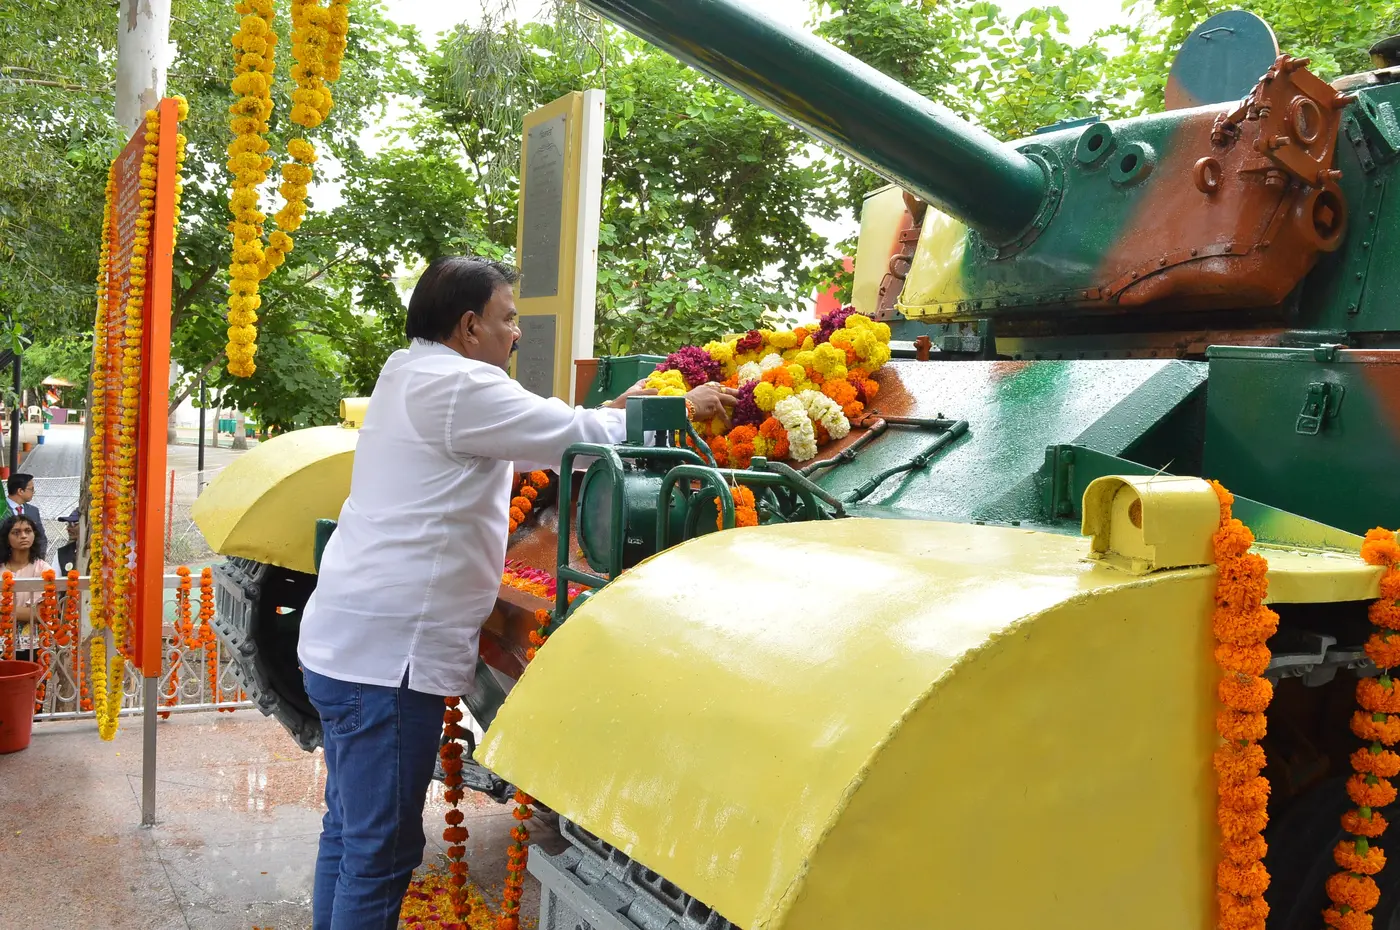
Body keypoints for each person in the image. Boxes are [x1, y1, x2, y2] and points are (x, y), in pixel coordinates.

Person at [296, 255, 737, 930]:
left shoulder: (410, 371)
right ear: (470, 326)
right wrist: (679, 409)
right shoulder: (459, 386)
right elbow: (573, 435)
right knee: (379, 852)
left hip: (350, 645)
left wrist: (615, 408)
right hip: (387, 663)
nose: (517, 332)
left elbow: (540, 434)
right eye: (508, 318)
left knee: (351, 834)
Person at [0, 514, 52, 663]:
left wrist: (3, 610)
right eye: (16, 532)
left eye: (27, 531)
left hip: (33, 645)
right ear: (7, 538)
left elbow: (39, 613)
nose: (23, 536)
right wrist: (20, 612)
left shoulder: (43, 569)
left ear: (34, 535)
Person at [4, 473, 46, 562]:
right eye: (31, 489)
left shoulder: (33, 511)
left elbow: (41, 537)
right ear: (20, 491)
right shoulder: (2, 509)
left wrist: (39, 559)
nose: (34, 492)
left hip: (30, 562)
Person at [55, 509, 79, 573]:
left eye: (74, 524)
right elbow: (55, 578)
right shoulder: (62, 553)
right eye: (68, 524)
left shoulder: (102, 552)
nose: (68, 528)